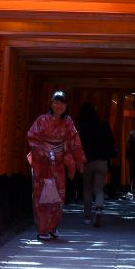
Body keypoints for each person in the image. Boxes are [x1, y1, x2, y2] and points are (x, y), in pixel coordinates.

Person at [27, 91, 85, 240]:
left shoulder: (68, 122)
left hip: (58, 164)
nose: (59, 106)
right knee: (41, 196)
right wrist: (44, 152)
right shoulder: (42, 120)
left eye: (62, 103)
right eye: (56, 102)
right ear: (51, 104)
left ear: (66, 105)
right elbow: (32, 137)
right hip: (43, 163)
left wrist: (79, 160)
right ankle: (42, 229)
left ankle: (52, 227)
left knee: (58, 196)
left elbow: (74, 140)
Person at [76, 103, 115, 226]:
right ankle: (98, 210)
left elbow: (77, 145)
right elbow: (111, 142)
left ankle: (87, 217)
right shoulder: (104, 125)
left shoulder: (82, 127)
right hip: (101, 161)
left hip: (87, 161)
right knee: (99, 189)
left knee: (87, 189)